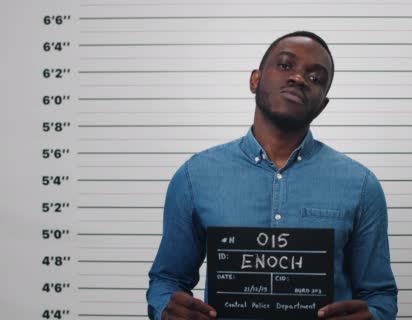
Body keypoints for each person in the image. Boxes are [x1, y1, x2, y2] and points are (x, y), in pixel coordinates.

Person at [146, 31, 398, 320]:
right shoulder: (194, 177)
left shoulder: (362, 186)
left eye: (315, 78)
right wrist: (166, 307)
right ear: (255, 79)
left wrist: (375, 316)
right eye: (285, 65)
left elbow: (380, 295)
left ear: (323, 104)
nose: (299, 79)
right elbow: (167, 280)